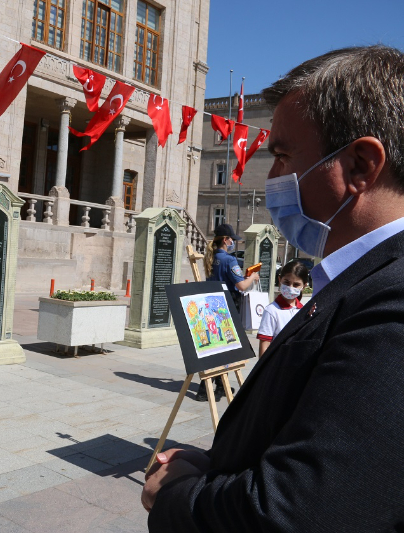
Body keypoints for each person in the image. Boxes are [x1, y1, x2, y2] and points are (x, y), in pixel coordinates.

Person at [142, 45, 404, 531]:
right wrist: (217, 470)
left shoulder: (393, 299)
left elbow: (303, 510)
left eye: (283, 155)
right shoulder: (363, 279)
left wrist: (178, 496)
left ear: (361, 166)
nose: (272, 177)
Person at [194, 223, 259, 401]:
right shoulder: (229, 260)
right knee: (226, 346)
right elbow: (241, 285)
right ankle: (204, 389)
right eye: (231, 239)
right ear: (225, 240)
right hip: (228, 307)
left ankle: (220, 387)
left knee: (217, 345)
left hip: (212, 305)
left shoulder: (211, 257)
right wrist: (252, 277)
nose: (232, 242)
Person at [256, 260, 309, 357]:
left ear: (304, 286)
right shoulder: (272, 310)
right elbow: (265, 345)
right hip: (277, 365)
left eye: (296, 285)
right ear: (280, 280)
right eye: (287, 282)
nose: (290, 287)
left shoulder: (304, 310)